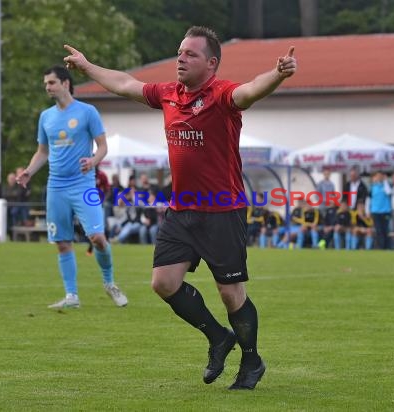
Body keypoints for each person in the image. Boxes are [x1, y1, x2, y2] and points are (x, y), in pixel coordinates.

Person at [64, 25, 297, 389]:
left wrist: (278, 75)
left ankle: (252, 362)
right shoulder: (169, 94)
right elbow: (125, 84)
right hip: (182, 211)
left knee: (230, 292)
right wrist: (87, 66)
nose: (181, 58)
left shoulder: (221, 95)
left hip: (223, 210)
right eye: (179, 52)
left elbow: (251, 90)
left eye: (191, 54)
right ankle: (219, 338)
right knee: (163, 282)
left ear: (212, 63)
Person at [16, 65, 128, 309]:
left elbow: (102, 147)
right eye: (46, 83)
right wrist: (29, 171)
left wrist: (93, 161)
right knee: (63, 242)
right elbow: (42, 151)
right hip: (56, 186)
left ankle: (110, 283)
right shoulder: (46, 117)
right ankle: (71, 297)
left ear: (66, 83)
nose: (47, 87)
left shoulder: (88, 112)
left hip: (84, 185)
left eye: (52, 82)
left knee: (97, 237)